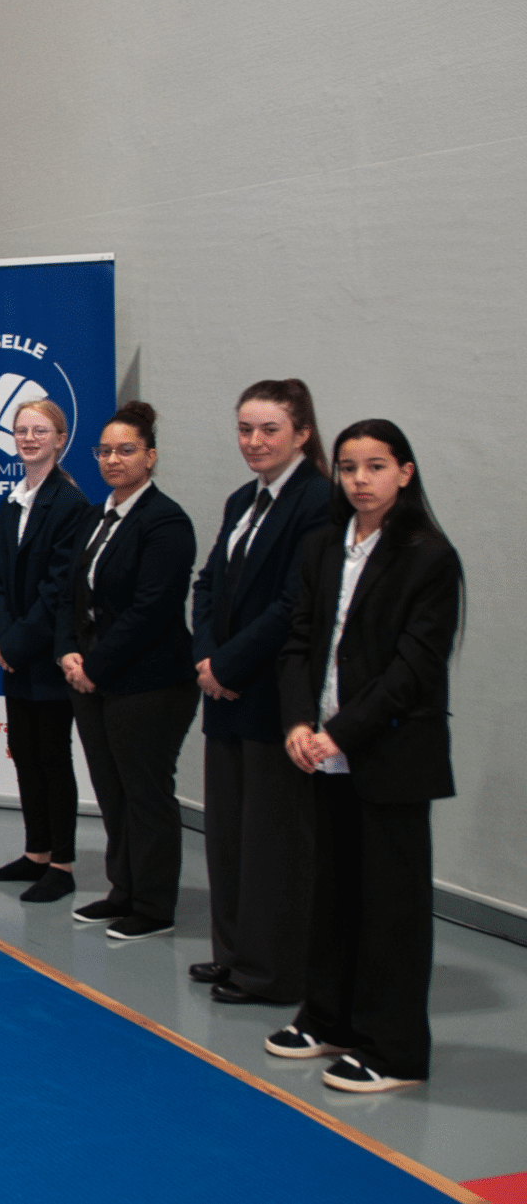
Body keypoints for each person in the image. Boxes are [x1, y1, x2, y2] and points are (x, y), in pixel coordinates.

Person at [265, 420, 461, 1094]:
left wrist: (342, 731)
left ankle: (395, 1048)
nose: (360, 480)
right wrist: (298, 720)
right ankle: (330, 1020)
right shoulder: (323, 545)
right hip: (325, 753)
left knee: (391, 908)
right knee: (334, 894)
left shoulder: (429, 556)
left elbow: (414, 667)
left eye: (376, 466)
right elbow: (300, 641)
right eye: (349, 467)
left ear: (404, 472)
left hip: (390, 754)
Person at [188, 380, 334, 1006]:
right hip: (223, 693)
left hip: (271, 695)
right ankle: (233, 954)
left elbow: (293, 604)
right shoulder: (242, 499)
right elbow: (207, 584)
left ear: (302, 433)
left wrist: (227, 664)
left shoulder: (318, 500)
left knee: (272, 843)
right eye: (245, 429)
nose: (254, 441)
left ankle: (270, 971)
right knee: (228, 838)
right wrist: (204, 657)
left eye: (269, 429)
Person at [56, 401, 200, 941]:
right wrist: (68, 651)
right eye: (105, 451)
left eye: (126, 450)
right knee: (112, 791)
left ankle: (154, 906)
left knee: (145, 792)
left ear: (151, 456)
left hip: (150, 681)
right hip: (92, 678)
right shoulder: (96, 517)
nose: (113, 460)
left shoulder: (166, 521)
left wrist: (95, 664)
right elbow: (72, 592)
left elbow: (151, 609)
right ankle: (123, 891)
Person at [0, 399, 94, 903]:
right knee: (24, 754)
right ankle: (36, 853)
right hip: (16, 654)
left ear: (60, 439)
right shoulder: (12, 502)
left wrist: (17, 643)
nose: (29, 439)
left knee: (51, 757)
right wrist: (3, 639)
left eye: (40, 431)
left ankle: (62, 865)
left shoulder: (70, 504)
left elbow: (59, 589)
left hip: (47, 655)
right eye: (22, 431)